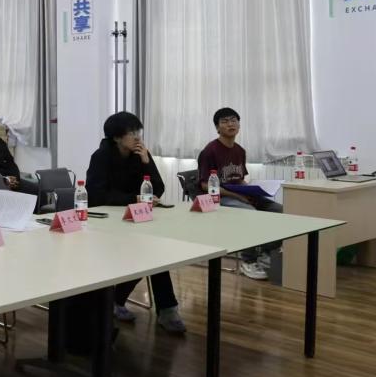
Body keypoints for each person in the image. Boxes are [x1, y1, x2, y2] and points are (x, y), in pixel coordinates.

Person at [85, 111, 186, 334]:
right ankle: (129, 303)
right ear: (116, 137)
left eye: (137, 132)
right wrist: (135, 199)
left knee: (153, 255)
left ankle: (164, 309)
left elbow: (158, 189)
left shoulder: (139, 154)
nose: (137, 137)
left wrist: (147, 163)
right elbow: (97, 195)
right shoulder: (101, 157)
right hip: (106, 224)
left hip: (134, 220)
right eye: (131, 133)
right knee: (146, 255)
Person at [198, 107, 283, 280]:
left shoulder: (239, 150)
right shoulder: (209, 151)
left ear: (239, 125)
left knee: (280, 211)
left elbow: (240, 180)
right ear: (217, 128)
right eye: (225, 121)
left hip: (239, 194)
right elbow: (206, 185)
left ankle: (265, 252)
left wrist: (254, 190)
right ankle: (248, 261)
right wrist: (240, 197)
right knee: (249, 213)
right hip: (219, 198)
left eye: (233, 120)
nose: (230, 124)